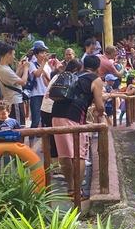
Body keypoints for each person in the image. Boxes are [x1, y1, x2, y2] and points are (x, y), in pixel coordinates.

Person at [51, 55, 105, 200]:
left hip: (56, 114)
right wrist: (101, 114)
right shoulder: (95, 79)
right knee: (78, 154)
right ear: (98, 68)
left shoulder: (75, 75)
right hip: (74, 117)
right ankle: (77, 190)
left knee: (64, 154)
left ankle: (70, 188)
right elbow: (100, 105)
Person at [41, 59, 82, 166]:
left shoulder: (59, 75)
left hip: (45, 108)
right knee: (55, 139)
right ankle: (55, 166)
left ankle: (53, 165)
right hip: (53, 109)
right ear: (76, 69)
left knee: (51, 138)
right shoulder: (72, 78)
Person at [0, 43, 29, 125]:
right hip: (15, 101)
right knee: (19, 128)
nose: (14, 57)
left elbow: (13, 81)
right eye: (13, 54)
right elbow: (23, 82)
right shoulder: (5, 70)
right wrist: (26, 69)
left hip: (11, 100)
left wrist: (20, 68)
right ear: (8, 54)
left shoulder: (1, 67)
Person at [28, 43, 51, 131]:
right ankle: (31, 140)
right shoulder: (31, 64)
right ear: (36, 54)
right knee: (36, 120)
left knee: (45, 120)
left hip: (46, 94)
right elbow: (37, 74)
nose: (44, 55)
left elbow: (50, 79)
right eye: (42, 53)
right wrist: (43, 63)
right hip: (36, 94)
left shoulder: (47, 66)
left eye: (45, 53)